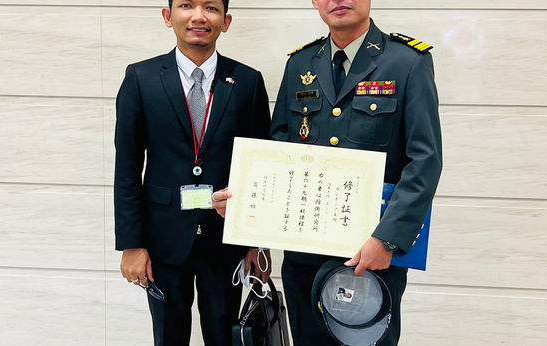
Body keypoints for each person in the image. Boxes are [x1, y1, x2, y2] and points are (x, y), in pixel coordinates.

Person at [213, 0, 442, 344]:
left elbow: (425, 161)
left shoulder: (408, 62)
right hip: (304, 255)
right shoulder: (301, 63)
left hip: (371, 253)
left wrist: (387, 239)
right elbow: (279, 154)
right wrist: (246, 207)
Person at [114, 0, 271, 345]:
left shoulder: (247, 81)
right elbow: (126, 168)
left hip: (226, 238)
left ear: (225, 21)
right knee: (168, 335)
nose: (199, 16)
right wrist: (131, 244)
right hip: (162, 240)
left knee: (225, 333)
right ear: (168, 17)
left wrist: (257, 244)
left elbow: (261, 167)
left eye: (211, 8)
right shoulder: (140, 78)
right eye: (187, 5)